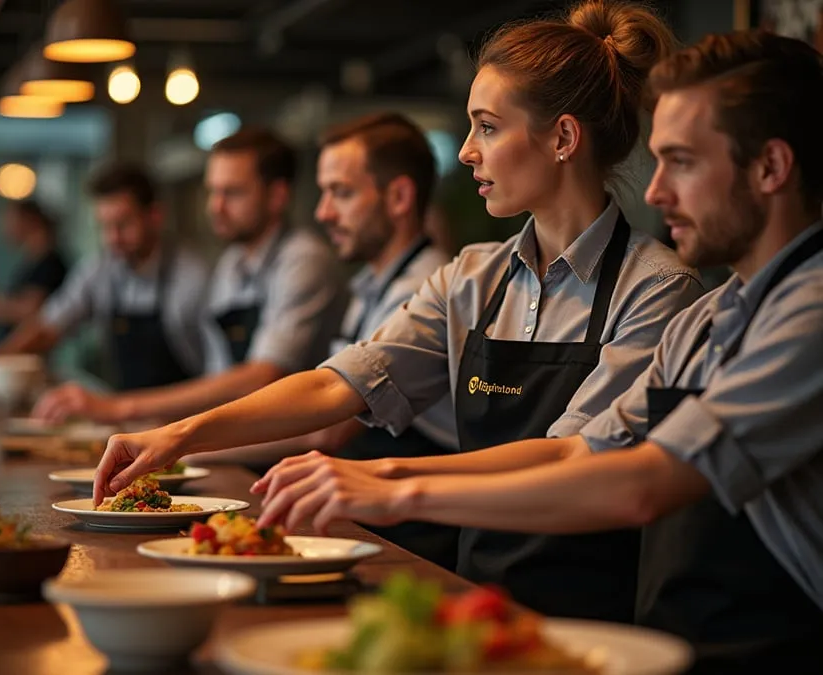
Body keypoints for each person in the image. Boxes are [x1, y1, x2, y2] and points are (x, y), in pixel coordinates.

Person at [92, 0, 704, 623]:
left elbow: (573, 457)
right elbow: (338, 384)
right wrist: (177, 435)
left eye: (487, 127)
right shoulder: (471, 276)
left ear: (563, 138)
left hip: (592, 621)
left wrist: (383, 478)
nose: (466, 152)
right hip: (472, 597)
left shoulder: (658, 290)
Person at [249, 30, 823, 673]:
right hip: (645, 640)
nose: (656, 193)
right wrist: (381, 481)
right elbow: (584, 450)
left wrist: (394, 489)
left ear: (771, 168)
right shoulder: (710, 318)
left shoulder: (788, 309)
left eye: (681, 161)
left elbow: (640, 484)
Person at [187, 113, 461, 569]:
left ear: (399, 197)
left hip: (420, 537)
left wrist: (186, 447)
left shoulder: (423, 287)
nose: (322, 212)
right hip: (377, 515)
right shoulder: (371, 285)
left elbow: (328, 428)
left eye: (342, 192)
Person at [33, 127, 348, 425]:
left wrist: (119, 408)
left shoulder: (303, 259)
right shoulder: (231, 264)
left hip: (301, 451)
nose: (215, 207)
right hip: (248, 441)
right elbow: (218, 377)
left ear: (278, 196)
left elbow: (262, 375)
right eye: (212, 192)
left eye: (232, 193)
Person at [0, 163, 207, 390]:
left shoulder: (192, 277)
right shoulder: (101, 270)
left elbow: (216, 375)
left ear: (155, 216)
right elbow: (48, 326)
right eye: (105, 226)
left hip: (188, 417)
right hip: (126, 413)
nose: (112, 238)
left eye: (123, 224)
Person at [0, 200, 67, 344]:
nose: (3, 228)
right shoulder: (32, 261)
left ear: (29, 221)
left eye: (9, 220)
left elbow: (31, 313)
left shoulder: (50, 264)